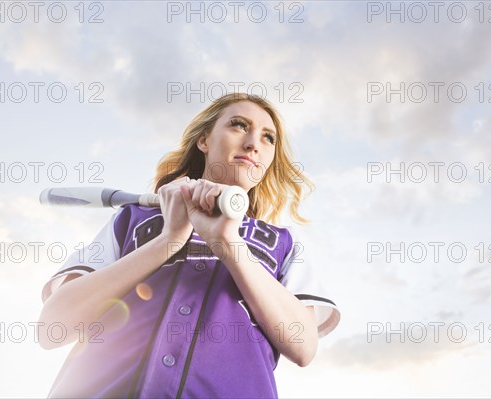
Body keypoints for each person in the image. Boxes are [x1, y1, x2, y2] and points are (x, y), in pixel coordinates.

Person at [38, 93, 340, 398]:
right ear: (204, 140)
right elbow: (53, 326)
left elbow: (303, 347)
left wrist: (228, 243)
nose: (253, 144)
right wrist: (167, 242)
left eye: (268, 138)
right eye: (238, 125)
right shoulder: (133, 218)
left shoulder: (282, 242)